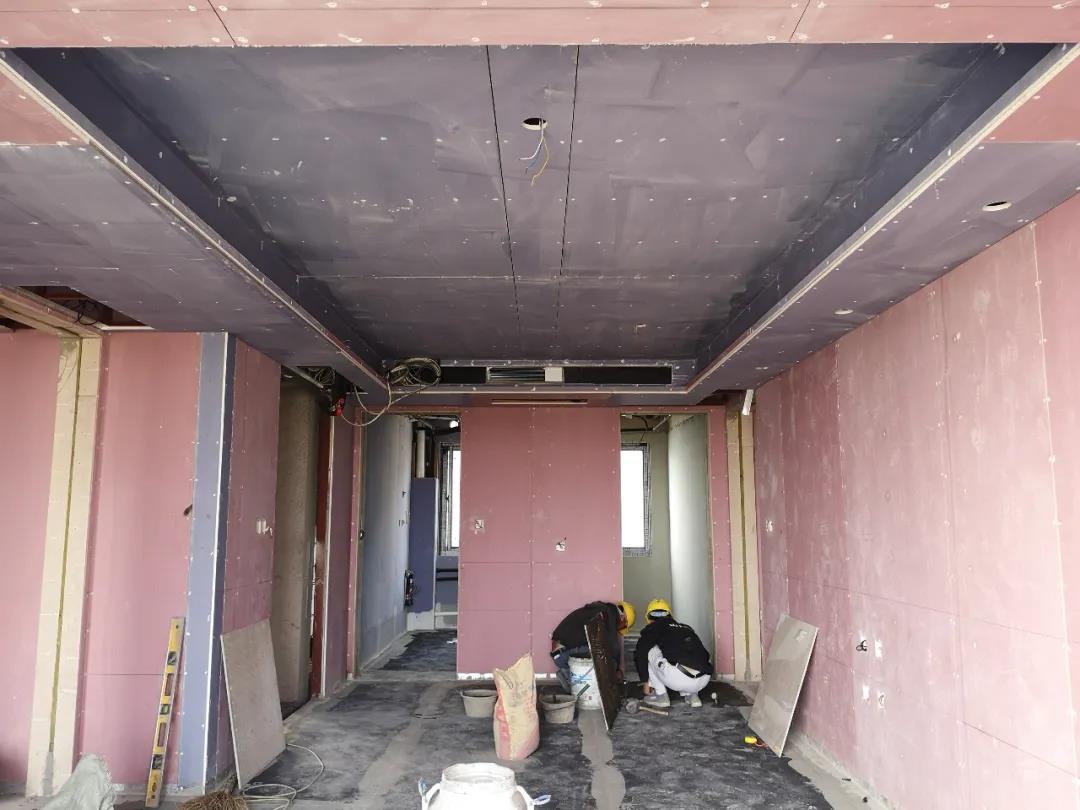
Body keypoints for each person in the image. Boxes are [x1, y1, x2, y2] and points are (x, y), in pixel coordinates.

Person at [635, 598, 713, 708]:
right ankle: (692, 696)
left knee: (650, 649)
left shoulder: (653, 627)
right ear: (670, 615)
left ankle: (661, 696)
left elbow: (640, 653)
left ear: (648, 618)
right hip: (704, 679)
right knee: (687, 652)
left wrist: (645, 681)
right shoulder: (686, 628)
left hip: (678, 679)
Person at [550, 600, 635, 692]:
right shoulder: (610, 613)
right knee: (610, 660)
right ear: (623, 617)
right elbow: (613, 647)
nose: (619, 629)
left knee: (579, 689)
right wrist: (617, 670)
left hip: (559, 655)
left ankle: (569, 681)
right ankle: (605, 691)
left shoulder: (598, 610)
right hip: (567, 651)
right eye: (623, 626)